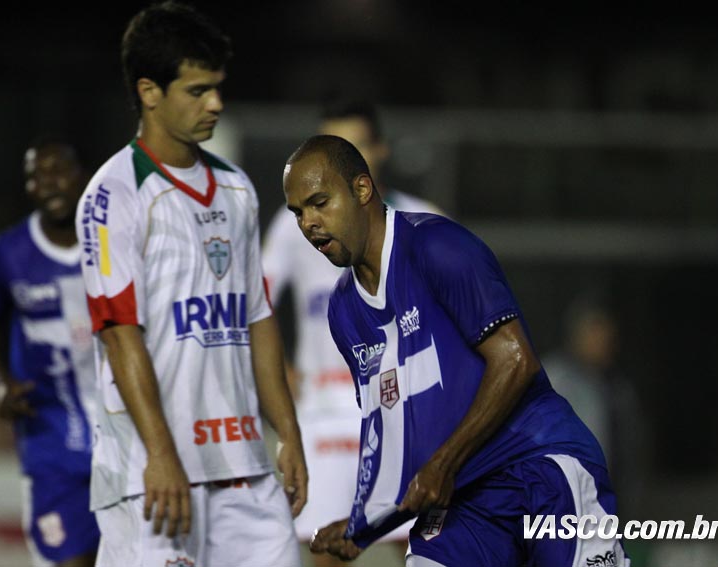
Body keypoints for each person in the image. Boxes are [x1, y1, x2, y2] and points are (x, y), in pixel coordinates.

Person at [283, 135, 629, 567]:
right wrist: (364, 524)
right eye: (298, 212)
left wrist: (444, 463)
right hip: (463, 500)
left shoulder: (437, 246)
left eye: (319, 202)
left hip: (540, 467)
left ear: (362, 189)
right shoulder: (343, 310)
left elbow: (516, 360)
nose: (309, 223)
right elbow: (387, 428)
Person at [75, 3, 307, 566]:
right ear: (149, 92)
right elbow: (119, 334)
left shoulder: (236, 188)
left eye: (218, 88)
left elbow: (257, 318)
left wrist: (289, 432)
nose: (216, 104)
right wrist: (160, 455)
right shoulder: (113, 196)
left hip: (243, 467)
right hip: (152, 474)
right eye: (198, 90)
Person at [262, 100, 439, 565]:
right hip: (324, 413)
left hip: (406, 413)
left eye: (353, 146)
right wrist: (279, 371)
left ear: (378, 150)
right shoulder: (295, 225)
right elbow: (253, 301)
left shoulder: (424, 220)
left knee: (421, 552)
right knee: (327, 550)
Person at [0, 140, 100, 567]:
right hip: (50, 443)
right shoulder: (8, 253)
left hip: (124, 440)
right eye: (37, 176)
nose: (49, 184)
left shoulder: (113, 240)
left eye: (59, 171)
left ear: (82, 176)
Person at [543, 294, 648, 518]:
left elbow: (631, 448)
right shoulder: (554, 379)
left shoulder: (617, 388)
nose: (605, 345)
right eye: (597, 337)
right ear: (577, 337)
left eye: (609, 339)